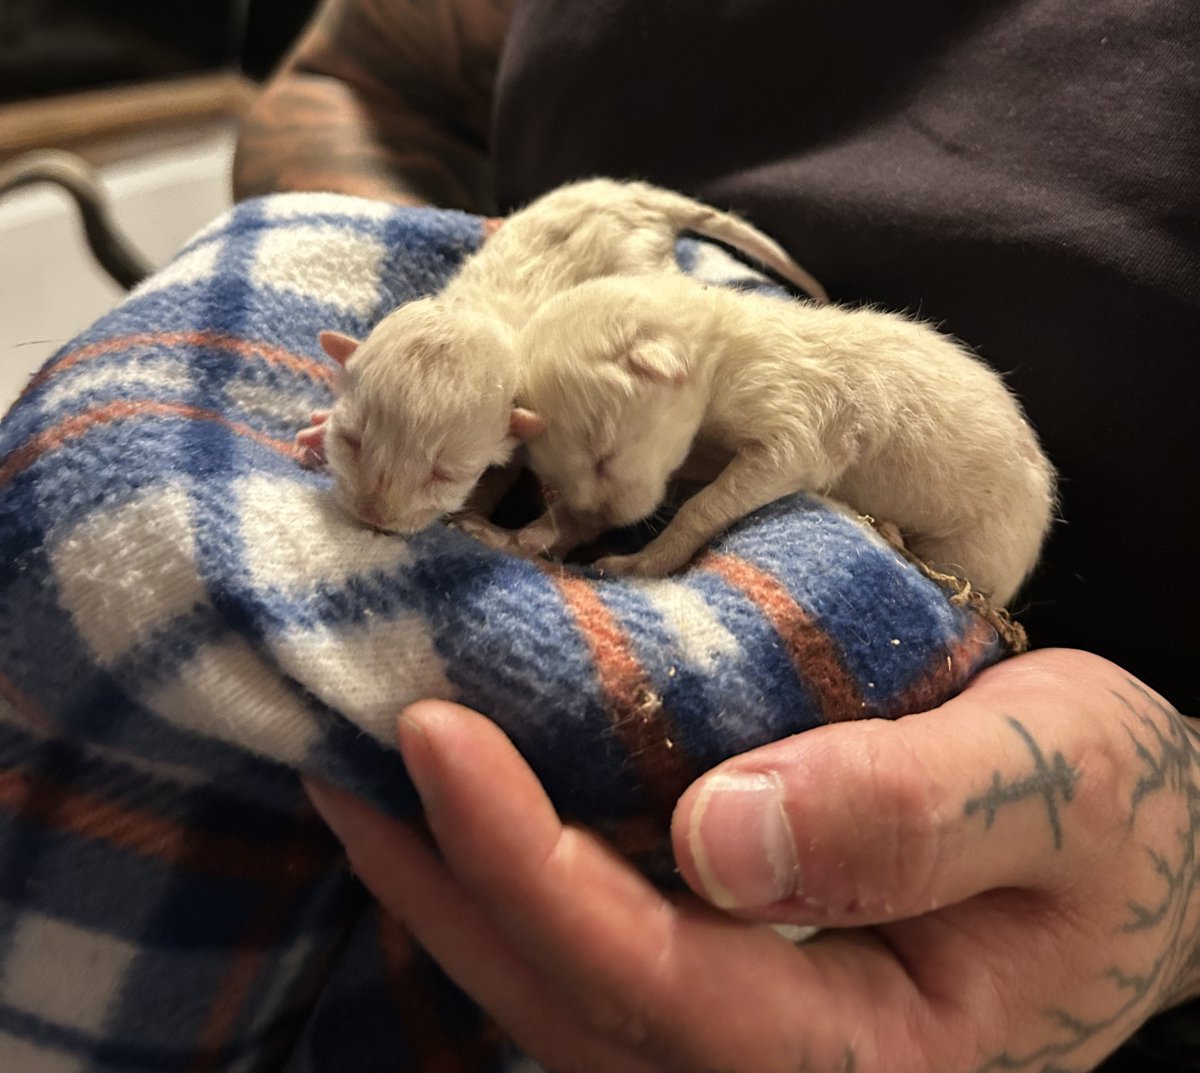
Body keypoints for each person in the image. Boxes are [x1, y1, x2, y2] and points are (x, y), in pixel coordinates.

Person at [234, 1, 1200, 1069]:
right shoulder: (563, 388)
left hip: (1006, 771)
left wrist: (1185, 885)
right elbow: (361, 73)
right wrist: (416, 390)